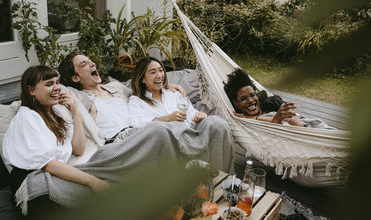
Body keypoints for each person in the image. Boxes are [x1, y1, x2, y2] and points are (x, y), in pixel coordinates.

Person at [2, 66, 108, 217]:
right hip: (33, 180)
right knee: (95, 189)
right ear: (31, 90)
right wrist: (92, 181)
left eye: (57, 82)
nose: (57, 87)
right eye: (49, 84)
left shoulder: (56, 114)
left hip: (54, 173)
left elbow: (78, 149)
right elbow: (48, 163)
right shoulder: (26, 116)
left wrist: (75, 111)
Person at [128, 57, 234, 172]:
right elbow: (136, 124)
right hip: (170, 143)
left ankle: (223, 177)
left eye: (161, 70)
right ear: (143, 79)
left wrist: (199, 115)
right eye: (153, 72)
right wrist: (166, 119)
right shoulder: (136, 101)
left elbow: (191, 112)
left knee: (218, 124)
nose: (159, 75)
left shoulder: (173, 94)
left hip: (191, 133)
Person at [224, 68, 304, 126]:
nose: (250, 100)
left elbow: (298, 124)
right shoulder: (240, 121)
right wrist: (275, 120)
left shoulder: (273, 102)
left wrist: (250, 118)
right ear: (235, 103)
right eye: (243, 99)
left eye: (252, 95)